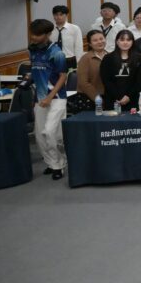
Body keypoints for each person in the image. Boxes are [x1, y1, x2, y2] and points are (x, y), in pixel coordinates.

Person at [26, 19, 68, 179]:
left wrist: (49, 97)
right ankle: (52, 163)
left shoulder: (56, 52)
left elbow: (63, 77)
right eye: (32, 34)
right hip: (40, 98)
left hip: (56, 98)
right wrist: (29, 77)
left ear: (48, 34)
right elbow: (36, 70)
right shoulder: (32, 50)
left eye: (38, 35)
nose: (34, 37)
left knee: (50, 132)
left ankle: (59, 164)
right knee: (39, 136)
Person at [100, 30, 141, 110]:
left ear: (132, 42)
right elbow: (106, 80)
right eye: (122, 40)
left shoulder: (140, 58)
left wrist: (128, 96)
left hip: (133, 99)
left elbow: (140, 81)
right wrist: (119, 96)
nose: (125, 42)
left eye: (128, 40)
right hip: (113, 100)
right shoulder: (108, 58)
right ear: (117, 42)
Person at [75, 30, 106, 108]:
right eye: (95, 40)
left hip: (107, 97)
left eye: (101, 39)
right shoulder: (85, 58)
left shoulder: (110, 56)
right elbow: (83, 83)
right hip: (89, 98)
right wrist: (98, 99)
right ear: (90, 44)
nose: (99, 42)